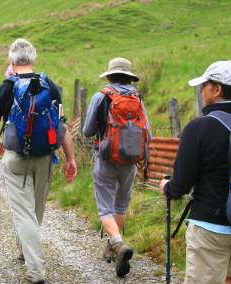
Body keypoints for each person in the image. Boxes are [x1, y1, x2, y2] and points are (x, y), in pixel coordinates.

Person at [160, 61, 231, 284]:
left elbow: (181, 185)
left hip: (211, 227)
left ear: (217, 89)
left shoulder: (199, 127)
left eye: (205, 85)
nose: (201, 89)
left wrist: (167, 187)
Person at [0, 38, 77, 284]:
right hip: (46, 157)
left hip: (16, 157)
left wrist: (1, 151)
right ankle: (25, 249)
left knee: (24, 215)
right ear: (33, 59)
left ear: (11, 60)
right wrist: (71, 158)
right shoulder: (51, 85)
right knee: (35, 212)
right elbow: (62, 125)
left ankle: (35, 271)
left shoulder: (6, 87)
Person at [82, 57, 152, 278]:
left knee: (105, 208)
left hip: (105, 158)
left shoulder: (101, 97)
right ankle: (112, 248)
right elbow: (148, 134)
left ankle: (119, 245)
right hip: (131, 160)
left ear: (109, 75)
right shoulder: (137, 99)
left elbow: (87, 131)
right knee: (121, 204)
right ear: (129, 77)